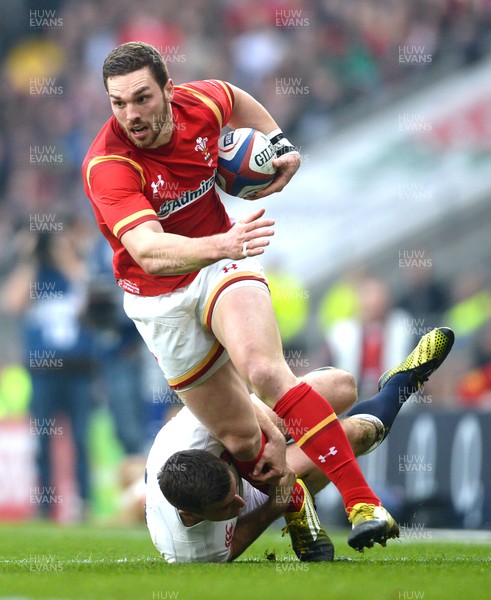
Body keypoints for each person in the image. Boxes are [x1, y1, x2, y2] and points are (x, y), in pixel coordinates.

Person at [82, 41, 440, 550]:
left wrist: (279, 141)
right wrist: (221, 242)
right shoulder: (109, 163)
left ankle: (363, 503)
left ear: (168, 88)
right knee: (245, 440)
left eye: (142, 98)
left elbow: (236, 98)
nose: (131, 115)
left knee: (268, 371)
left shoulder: (199, 103)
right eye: (118, 104)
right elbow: (149, 252)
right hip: (159, 298)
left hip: (221, 266)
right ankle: (293, 506)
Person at [146, 327, 455, 563]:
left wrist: (277, 441)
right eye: (227, 507)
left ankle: (292, 492)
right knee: (357, 436)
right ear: (190, 514)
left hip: (243, 441)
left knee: (343, 387)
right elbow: (230, 545)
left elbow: (238, 398)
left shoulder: (194, 430)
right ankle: (400, 385)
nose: (237, 504)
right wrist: (272, 508)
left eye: (233, 495)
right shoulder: (187, 548)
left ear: (216, 461)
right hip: (258, 485)